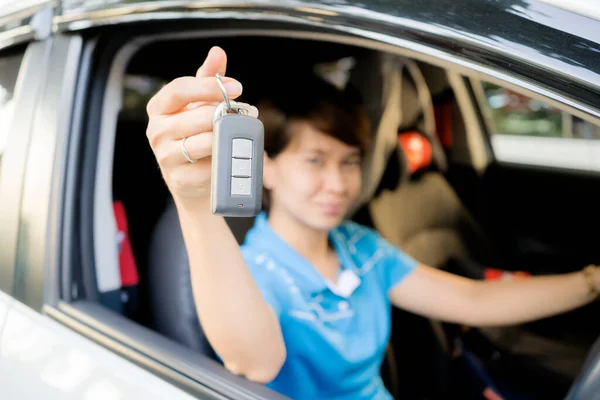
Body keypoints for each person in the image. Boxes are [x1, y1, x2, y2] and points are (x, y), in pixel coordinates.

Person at [145, 46, 600, 400]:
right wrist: (192, 202)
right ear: (266, 166)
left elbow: (472, 300)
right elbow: (256, 364)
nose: (338, 183)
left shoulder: (358, 246)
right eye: (315, 160)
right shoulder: (251, 270)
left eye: (350, 162)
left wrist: (589, 283)